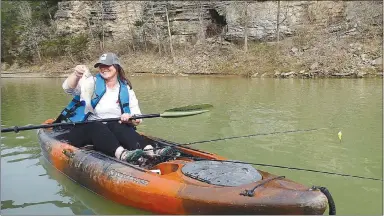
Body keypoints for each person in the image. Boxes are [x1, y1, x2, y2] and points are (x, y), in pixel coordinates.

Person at [56, 52, 171, 162]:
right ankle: (122, 154)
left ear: (117, 67)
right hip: (87, 129)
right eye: (101, 66)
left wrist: (131, 118)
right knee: (97, 125)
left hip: (112, 128)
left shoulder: (126, 89)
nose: (103, 68)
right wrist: (76, 74)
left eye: (107, 65)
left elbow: (138, 118)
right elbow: (68, 88)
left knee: (118, 125)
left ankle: (150, 151)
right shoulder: (91, 82)